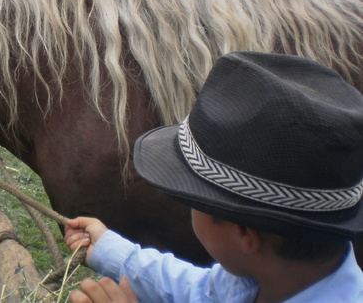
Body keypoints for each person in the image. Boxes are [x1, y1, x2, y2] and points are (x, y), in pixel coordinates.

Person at [64, 51, 363, 302]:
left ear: (244, 233)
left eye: (195, 198)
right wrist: (113, 252)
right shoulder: (266, 277)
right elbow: (201, 292)